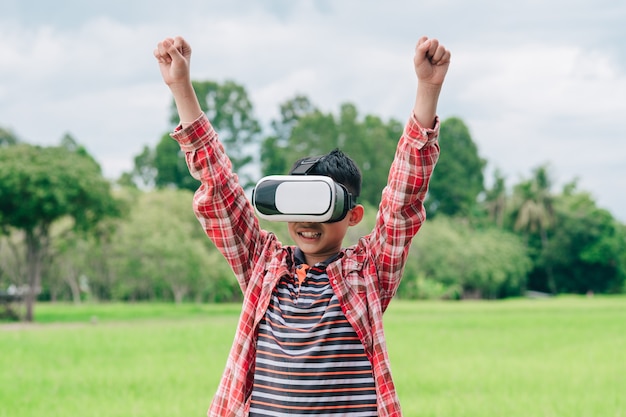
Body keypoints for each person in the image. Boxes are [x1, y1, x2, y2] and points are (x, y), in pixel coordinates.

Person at [154, 35, 450, 417]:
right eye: (299, 205)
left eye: (323, 206)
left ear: (353, 216)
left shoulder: (368, 273)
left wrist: (428, 88)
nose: (308, 222)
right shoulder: (262, 266)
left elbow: (402, 200)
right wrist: (180, 86)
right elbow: (219, 186)